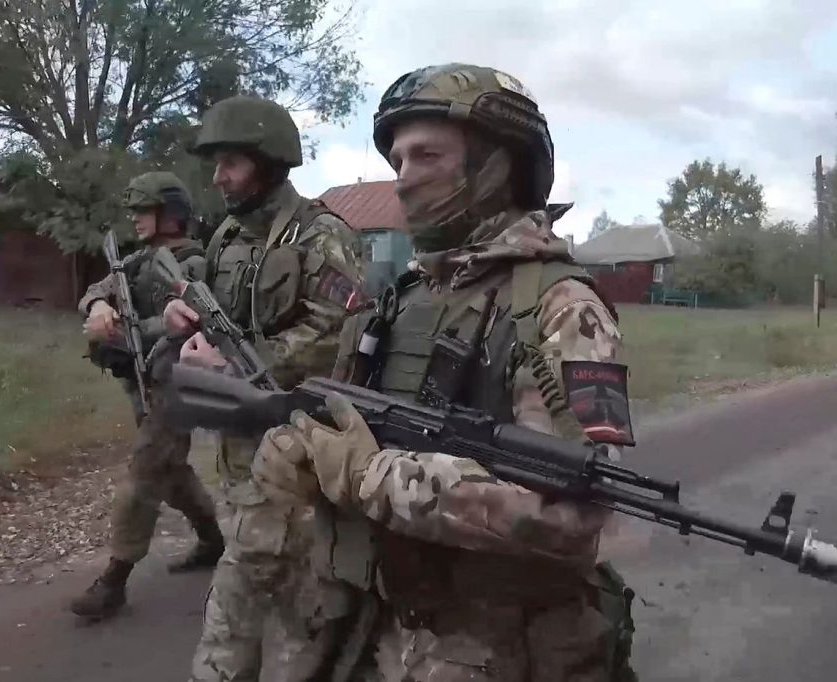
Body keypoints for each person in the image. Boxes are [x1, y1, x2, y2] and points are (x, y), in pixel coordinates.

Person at [252, 63, 640, 681]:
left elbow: (572, 513)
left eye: (426, 156)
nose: (403, 180)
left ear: (496, 165)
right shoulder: (405, 296)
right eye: (397, 160)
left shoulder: (560, 308)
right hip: (374, 619)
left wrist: (373, 476)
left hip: (494, 646)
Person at [161, 94, 368, 681]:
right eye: (217, 164)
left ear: (270, 162)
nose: (219, 177)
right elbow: (210, 308)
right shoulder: (227, 236)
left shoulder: (321, 235)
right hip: (235, 448)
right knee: (265, 590)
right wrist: (185, 321)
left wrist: (253, 365)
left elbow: (339, 328)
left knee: (278, 604)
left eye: (232, 163)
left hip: (298, 451)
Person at [70, 171, 225, 620]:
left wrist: (133, 329)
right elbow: (101, 289)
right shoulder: (136, 259)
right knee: (170, 471)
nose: (135, 218)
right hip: (142, 382)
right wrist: (98, 307)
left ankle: (114, 581)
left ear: (170, 212)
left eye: (144, 209)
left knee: (144, 476)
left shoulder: (191, 263)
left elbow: (193, 321)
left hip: (175, 385)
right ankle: (213, 540)